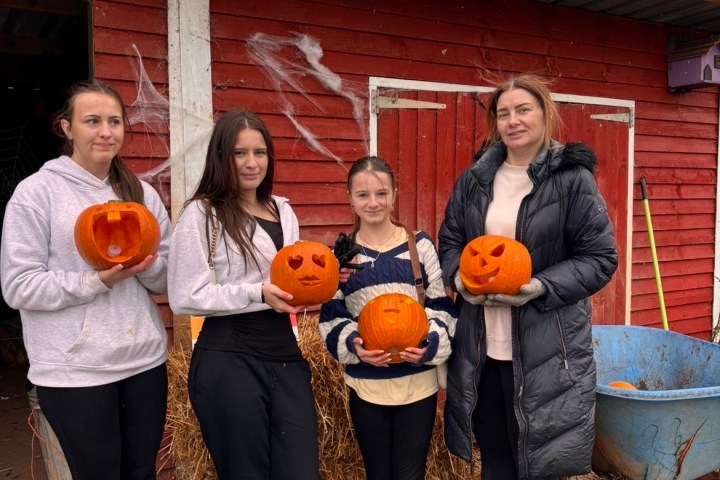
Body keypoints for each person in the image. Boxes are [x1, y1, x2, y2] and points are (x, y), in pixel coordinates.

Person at [438, 74, 618, 479]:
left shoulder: (572, 180)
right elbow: (449, 241)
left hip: (548, 353)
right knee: (496, 461)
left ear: (545, 114)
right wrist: (458, 277)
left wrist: (541, 286)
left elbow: (600, 258)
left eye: (523, 110)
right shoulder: (474, 180)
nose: (512, 121)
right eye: (503, 114)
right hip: (481, 350)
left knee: (540, 466)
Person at [0, 79, 172, 480]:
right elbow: (18, 286)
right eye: (92, 121)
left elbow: (165, 280)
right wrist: (96, 281)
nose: (106, 131)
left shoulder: (141, 195)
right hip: (74, 370)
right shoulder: (37, 193)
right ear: (66, 128)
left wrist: (147, 267)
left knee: (141, 472)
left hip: (143, 363)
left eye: (114, 121)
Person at [167, 109, 320, 480]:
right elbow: (184, 296)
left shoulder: (282, 210)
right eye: (240, 153)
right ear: (221, 157)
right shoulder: (203, 213)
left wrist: (319, 284)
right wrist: (258, 294)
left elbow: (292, 274)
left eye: (260, 152)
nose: (251, 163)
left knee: (300, 471)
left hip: (284, 353)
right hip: (229, 358)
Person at [319, 156, 457, 480]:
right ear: (350, 198)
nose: (373, 202)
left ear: (394, 195)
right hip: (367, 384)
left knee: (410, 473)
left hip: (417, 383)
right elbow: (331, 315)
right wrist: (354, 344)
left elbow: (442, 308)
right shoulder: (342, 253)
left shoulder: (419, 246)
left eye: (381, 193)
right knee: (377, 473)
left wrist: (430, 342)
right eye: (363, 194)